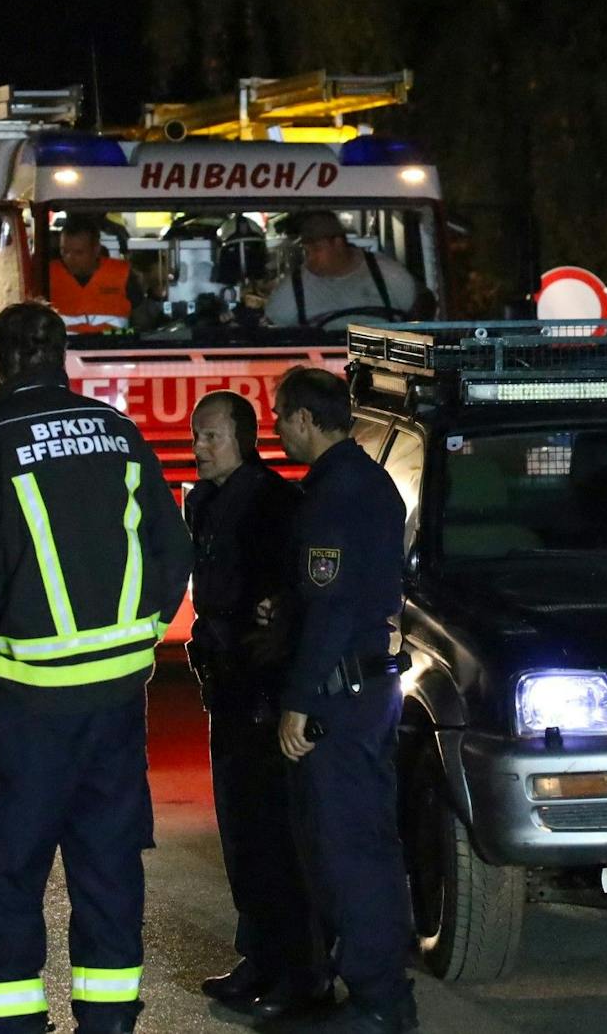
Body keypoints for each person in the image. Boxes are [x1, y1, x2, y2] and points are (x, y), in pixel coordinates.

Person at [0, 301, 192, 1034]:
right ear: (64, 354)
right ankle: (108, 1023)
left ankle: (14, 1024)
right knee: (108, 871)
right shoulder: (119, 432)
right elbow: (172, 551)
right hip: (115, 703)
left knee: (9, 876)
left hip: (24, 707)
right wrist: (134, 639)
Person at [272, 367, 417, 1033]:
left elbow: (328, 610)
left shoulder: (334, 494)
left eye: (281, 417)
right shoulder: (368, 480)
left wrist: (299, 700)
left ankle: (377, 999)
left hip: (342, 695)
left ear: (306, 419)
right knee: (362, 841)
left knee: (347, 848)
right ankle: (373, 988)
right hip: (368, 688)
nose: (277, 428)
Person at [185, 391, 328, 1020]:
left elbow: (296, 593)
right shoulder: (205, 502)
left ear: (244, 437)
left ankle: (300, 971)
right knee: (241, 832)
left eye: (211, 436)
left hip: (263, 692)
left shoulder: (273, 502)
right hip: (228, 684)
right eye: (196, 437)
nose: (199, 448)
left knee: (274, 836)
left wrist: (276, 633)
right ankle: (262, 956)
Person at [264, 211, 423, 330]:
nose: (310, 258)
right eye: (306, 252)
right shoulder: (291, 291)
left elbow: (418, 320)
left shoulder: (391, 277)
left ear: (338, 243)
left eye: (317, 249)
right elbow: (277, 329)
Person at [50, 214, 146, 334]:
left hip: (114, 349)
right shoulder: (48, 274)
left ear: (96, 250)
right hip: (66, 350)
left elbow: (143, 324)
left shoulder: (122, 274)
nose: (70, 258)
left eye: (78, 252)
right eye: (64, 251)